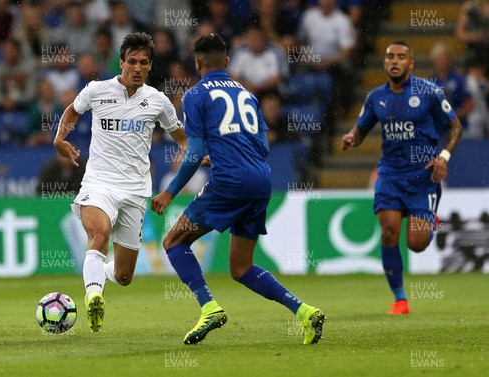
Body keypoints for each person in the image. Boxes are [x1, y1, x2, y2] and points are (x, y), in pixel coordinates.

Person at [151, 34, 325, 345]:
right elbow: (261, 145)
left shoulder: (195, 95)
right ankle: (304, 312)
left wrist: (170, 192)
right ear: (228, 62)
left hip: (229, 182)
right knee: (241, 267)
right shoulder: (247, 94)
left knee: (174, 240)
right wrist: (224, 157)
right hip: (260, 182)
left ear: (197, 62)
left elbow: (192, 153)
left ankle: (209, 308)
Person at [53, 32, 188, 332]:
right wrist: (60, 138)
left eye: (143, 62)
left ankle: (98, 275)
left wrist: (194, 155)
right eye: (132, 62)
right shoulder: (97, 90)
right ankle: (94, 296)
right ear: (121, 63)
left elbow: (180, 137)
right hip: (99, 183)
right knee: (98, 235)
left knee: (125, 275)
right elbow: (72, 111)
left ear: (151, 66)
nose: (137, 68)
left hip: (136, 191)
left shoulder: (158, 101)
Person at [342, 41, 463, 315]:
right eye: (389, 56)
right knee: (388, 232)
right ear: (384, 63)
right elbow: (361, 128)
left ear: (410, 64)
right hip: (390, 175)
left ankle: (431, 221)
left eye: (401, 57)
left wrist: (443, 156)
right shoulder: (375, 97)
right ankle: (400, 299)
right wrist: (352, 137)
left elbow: (455, 126)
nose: (394, 61)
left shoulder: (429, 92)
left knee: (416, 244)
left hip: (423, 177)